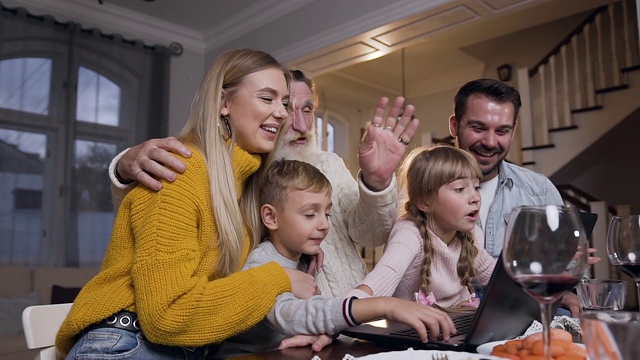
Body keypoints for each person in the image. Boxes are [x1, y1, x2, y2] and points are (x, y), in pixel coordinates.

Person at [55, 48, 319, 359]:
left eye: (285, 103)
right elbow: (167, 316)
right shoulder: (180, 169)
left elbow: (223, 301)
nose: (282, 113)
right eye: (267, 98)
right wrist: (279, 277)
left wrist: (306, 324)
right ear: (223, 103)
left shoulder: (244, 191)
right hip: (127, 345)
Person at [108, 70, 419, 298]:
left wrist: (377, 182)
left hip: (350, 317)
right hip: (279, 328)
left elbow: (371, 233)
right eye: (285, 106)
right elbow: (155, 220)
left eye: (308, 109)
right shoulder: (238, 171)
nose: (298, 124)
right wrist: (122, 166)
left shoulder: (329, 164)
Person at [213, 159, 456, 357]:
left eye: (327, 213)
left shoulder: (305, 256)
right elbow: (291, 315)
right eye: (310, 214)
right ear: (271, 217)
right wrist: (384, 305)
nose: (324, 225)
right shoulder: (263, 263)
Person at [448, 78, 600, 316]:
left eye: (502, 131)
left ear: (513, 130)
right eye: (478, 128)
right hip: (446, 315)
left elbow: (566, 267)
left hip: (520, 312)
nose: (489, 142)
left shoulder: (539, 190)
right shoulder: (424, 187)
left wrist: (564, 284)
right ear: (454, 126)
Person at [346, 145, 497, 309]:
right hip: (410, 333)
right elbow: (379, 282)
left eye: (476, 187)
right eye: (460, 189)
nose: (475, 197)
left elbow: (497, 278)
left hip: (456, 327)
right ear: (424, 202)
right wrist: (345, 309)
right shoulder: (409, 234)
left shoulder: (472, 235)